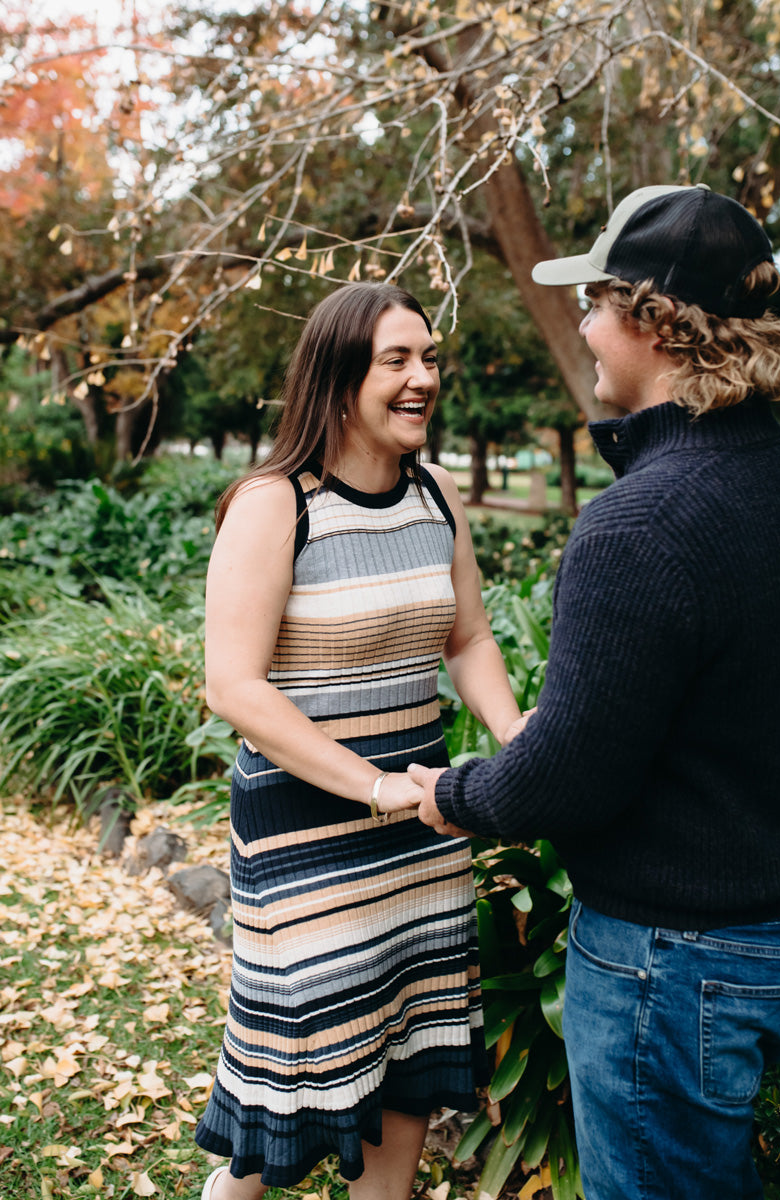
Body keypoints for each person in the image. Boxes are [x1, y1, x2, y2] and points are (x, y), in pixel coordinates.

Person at [408, 184, 780, 1199]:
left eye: (593, 301)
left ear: (649, 320)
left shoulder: (639, 527)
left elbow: (566, 784)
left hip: (665, 966)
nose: (581, 325)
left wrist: (452, 794)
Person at [195, 281, 522, 1200]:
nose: (424, 377)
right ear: (339, 380)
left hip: (423, 830)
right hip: (307, 837)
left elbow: (468, 637)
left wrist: (511, 728)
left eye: (429, 358)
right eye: (397, 361)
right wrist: (373, 787)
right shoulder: (273, 504)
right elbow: (234, 685)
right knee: (286, 1098)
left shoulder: (437, 494)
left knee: (411, 1062)